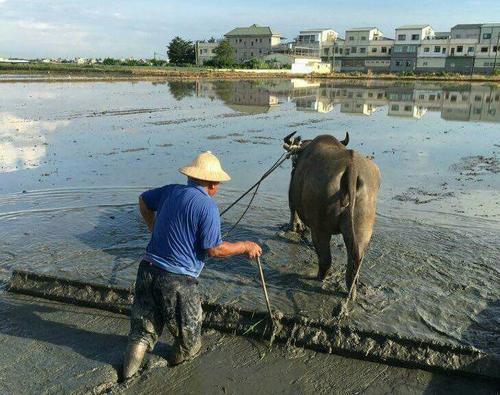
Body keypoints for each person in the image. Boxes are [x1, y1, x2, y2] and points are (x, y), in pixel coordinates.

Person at [123, 151, 262, 379]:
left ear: (190, 177)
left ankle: (126, 377)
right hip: (177, 282)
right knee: (189, 344)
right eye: (217, 183)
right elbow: (215, 249)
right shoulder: (208, 207)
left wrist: (153, 227)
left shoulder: (171, 191)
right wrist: (245, 246)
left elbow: (143, 200)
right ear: (212, 184)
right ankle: (172, 377)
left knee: (141, 334)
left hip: (147, 270)